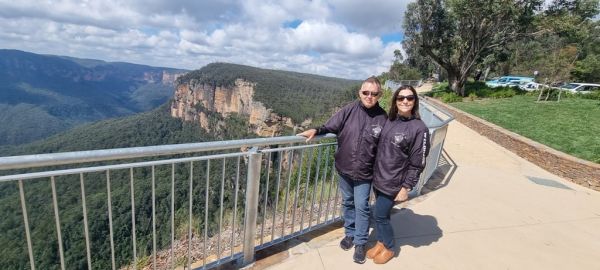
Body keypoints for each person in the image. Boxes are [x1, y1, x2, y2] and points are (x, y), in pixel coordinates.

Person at [297, 76, 387, 264]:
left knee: (362, 206)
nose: (369, 96)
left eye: (374, 93)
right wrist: (316, 130)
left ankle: (361, 242)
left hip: (365, 172)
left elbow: (386, 149)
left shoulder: (383, 118)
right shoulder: (349, 110)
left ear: (380, 95)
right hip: (345, 168)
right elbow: (330, 125)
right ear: (359, 93)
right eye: (365, 92)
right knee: (347, 202)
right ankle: (350, 233)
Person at [366, 85, 430, 264]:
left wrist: (406, 187)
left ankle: (390, 247)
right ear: (395, 101)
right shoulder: (391, 120)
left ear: (415, 101)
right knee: (382, 215)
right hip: (379, 179)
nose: (405, 101)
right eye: (401, 98)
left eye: (409, 98)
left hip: (394, 182)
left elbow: (418, 162)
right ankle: (380, 243)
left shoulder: (419, 129)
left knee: (379, 215)